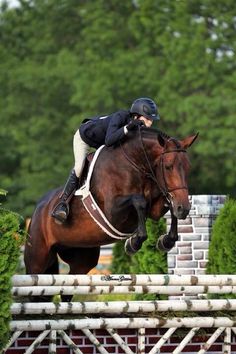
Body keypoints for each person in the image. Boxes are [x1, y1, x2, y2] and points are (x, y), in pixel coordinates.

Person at [51, 97, 160, 224]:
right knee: (80, 167)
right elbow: (109, 141)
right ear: (136, 116)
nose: (149, 123)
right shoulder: (120, 116)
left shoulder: (137, 127)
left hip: (102, 142)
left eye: (151, 120)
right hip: (85, 138)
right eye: (147, 119)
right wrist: (128, 127)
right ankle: (63, 203)